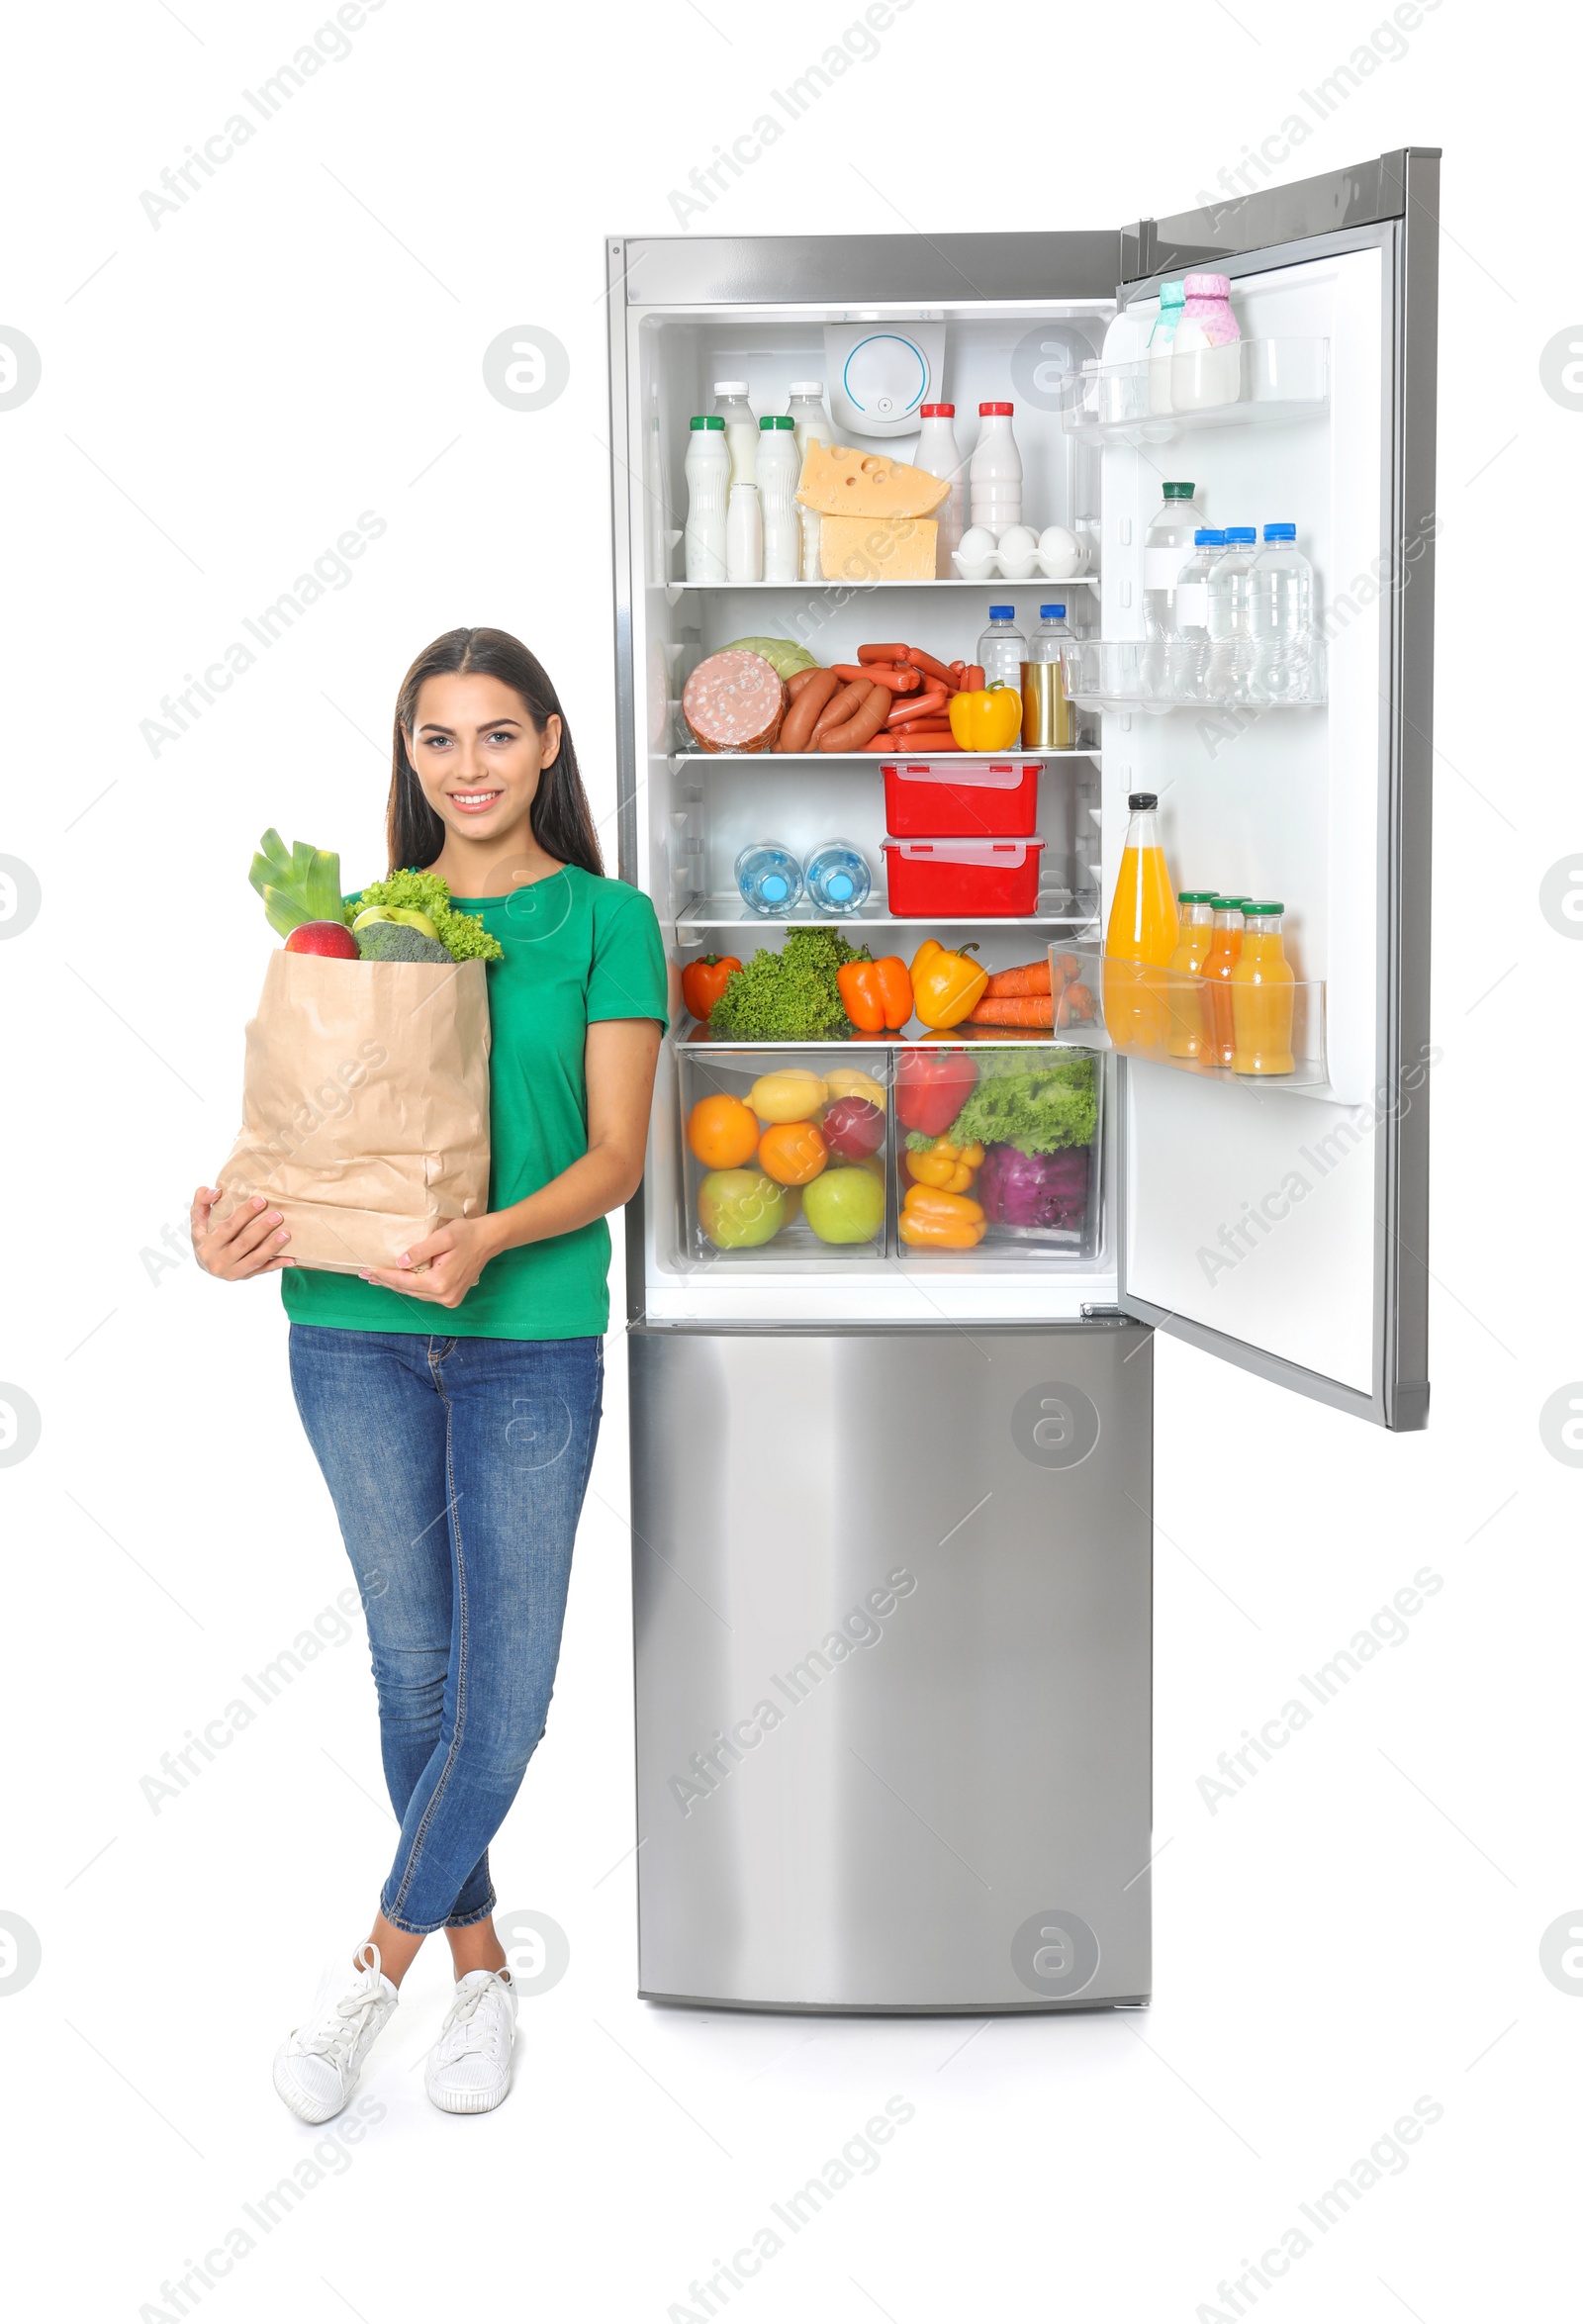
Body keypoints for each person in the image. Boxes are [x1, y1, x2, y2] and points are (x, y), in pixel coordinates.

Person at [191, 627, 666, 2120]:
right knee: (414, 1670)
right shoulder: (360, 923)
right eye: (438, 740)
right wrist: (225, 1225)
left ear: (550, 744)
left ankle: (366, 1975)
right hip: (349, 1327)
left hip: (525, 1337)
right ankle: (481, 1978)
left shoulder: (606, 919)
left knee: (504, 1697)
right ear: (410, 758)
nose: (469, 767)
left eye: (497, 736)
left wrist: (486, 1237)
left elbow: (616, 1156)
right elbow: (308, 1127)